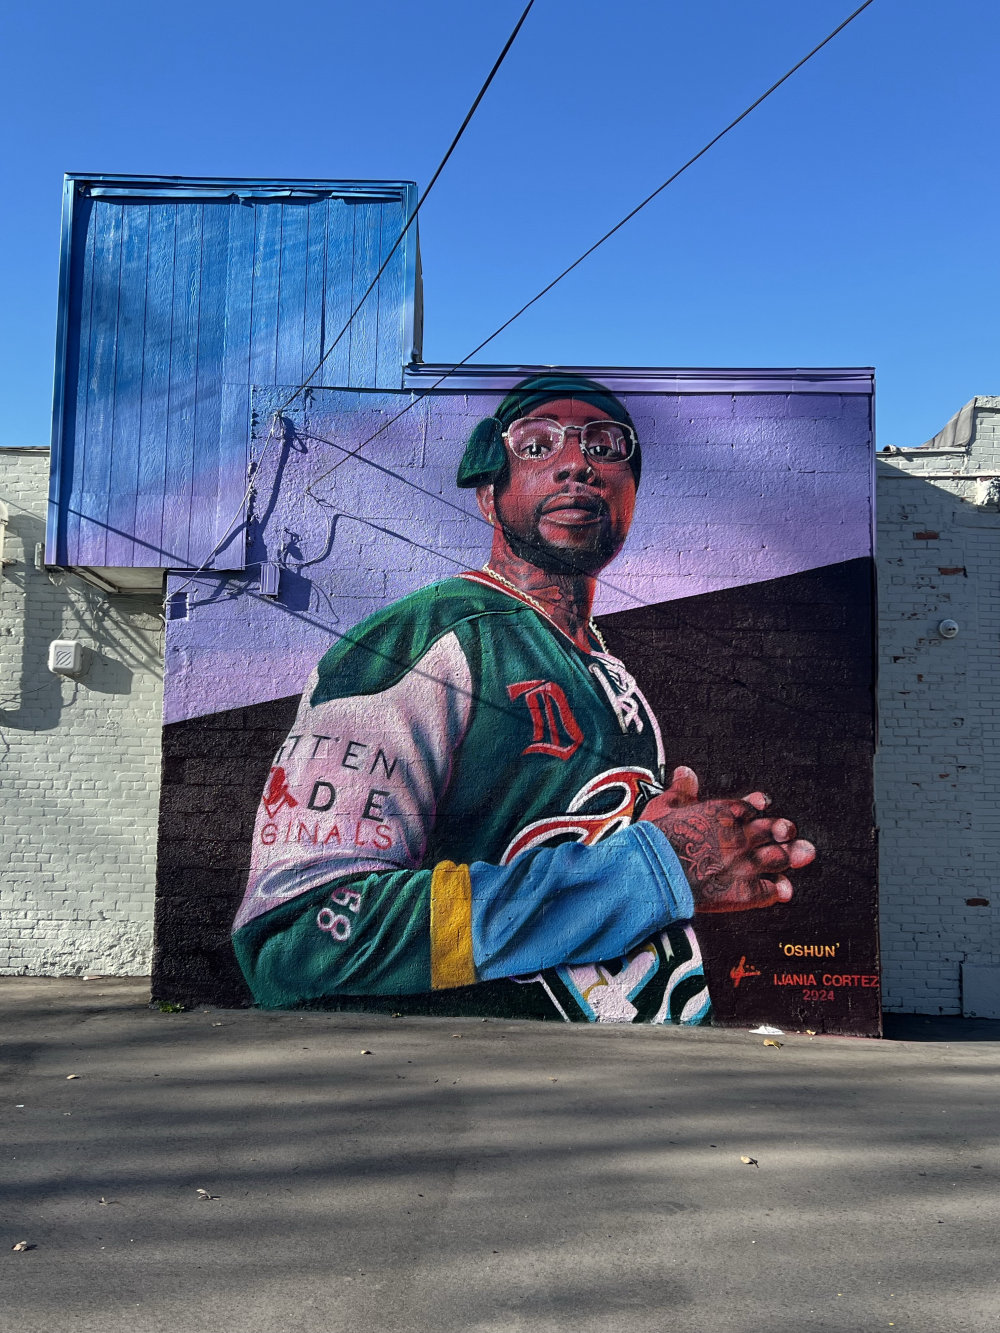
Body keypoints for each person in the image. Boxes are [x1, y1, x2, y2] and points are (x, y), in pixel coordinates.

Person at [232, 373, 814, 1021]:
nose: (577, 463)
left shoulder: (613, 677)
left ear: (632, 493)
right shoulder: (422, 639)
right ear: (487, 493)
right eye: (538, 445)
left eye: (606, 445)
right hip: (472, 1084)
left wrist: (639, 851)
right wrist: (648, 868)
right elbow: (296, 944)